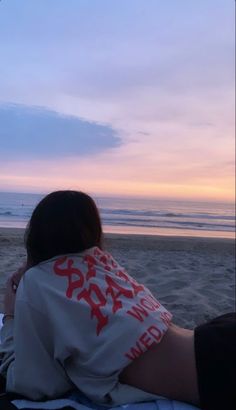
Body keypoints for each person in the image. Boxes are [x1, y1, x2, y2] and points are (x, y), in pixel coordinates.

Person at [0, 191, 235, 410]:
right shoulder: (103, 264)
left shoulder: (38, 282)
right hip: (212, 338)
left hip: (214, 368)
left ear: (36, 234)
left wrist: (11, 315)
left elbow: (35, 386)